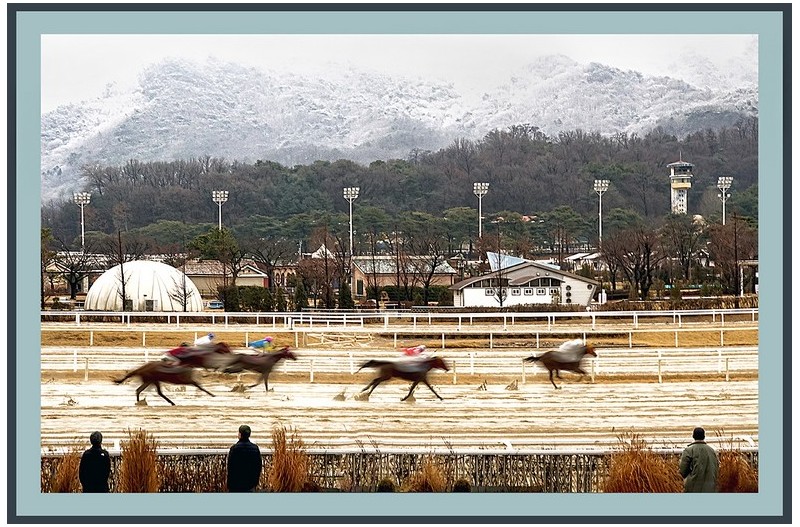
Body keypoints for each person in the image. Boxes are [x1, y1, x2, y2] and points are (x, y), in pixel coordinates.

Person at [679, 427, 719, 492]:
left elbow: (683, 471)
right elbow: (716, 468)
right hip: (711, 488)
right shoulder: (712, 451)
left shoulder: (689, 450)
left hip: (693, 488)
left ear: (693, 436)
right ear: (704, 436)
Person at [226, 425, 262, 492]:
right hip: (250, 484)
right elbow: (258, 466)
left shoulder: (234, 448)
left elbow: (230, 467)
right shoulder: (255, 448)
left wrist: (229, 484)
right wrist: (255, 482)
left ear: (240, 434)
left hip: (236, 484)